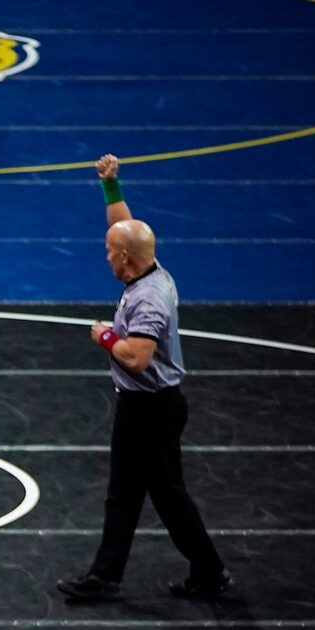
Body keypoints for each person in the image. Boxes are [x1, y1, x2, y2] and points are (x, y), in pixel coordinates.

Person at [57, 154, 230, 602]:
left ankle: (208, 571)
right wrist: (111, 186)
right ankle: (106, 574)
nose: (105, 254)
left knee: (165, 496)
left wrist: (105, 335)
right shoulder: (150, 269)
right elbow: (125, 229)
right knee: (127, 493)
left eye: (111, 252)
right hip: (146, 406)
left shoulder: (148, 301)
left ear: (127, 261)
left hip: (150, 408)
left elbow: (136, 357)